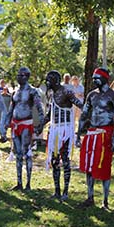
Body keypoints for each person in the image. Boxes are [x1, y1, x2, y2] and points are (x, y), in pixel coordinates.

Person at [79, 68, 114, 208]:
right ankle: (90, 197)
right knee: (89, 166)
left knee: (105, 166)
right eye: (93, 78)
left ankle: (105, 201)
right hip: (92, 133)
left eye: (97, 78)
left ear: (105, 79)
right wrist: (78, 134)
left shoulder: (113, 95)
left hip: (106, 133)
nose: (94, 80)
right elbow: (84, 114)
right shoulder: (92, 95)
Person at [41, 70, 83, 201]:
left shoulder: (66, 92)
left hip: (65, 130)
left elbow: (80, 104)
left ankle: (65, 191)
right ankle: (57, 191)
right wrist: (39, 125)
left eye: (49, 79)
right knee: (54, 161)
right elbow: (49, 114)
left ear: (55, 80)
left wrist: (87, 120)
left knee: (65, 160)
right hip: (54, 130)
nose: (47, 82)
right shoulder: (51, 94)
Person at [3, 67, 45, 192]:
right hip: (15, 125)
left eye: (21, 75)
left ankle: (28, 184)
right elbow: (11, 109)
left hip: (26, 124)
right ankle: (19, 182)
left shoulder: (32, 91)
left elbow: (39, 109)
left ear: (26, 76)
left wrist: (40, 125)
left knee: (26, 152)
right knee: (18, 153)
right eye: (18, 75)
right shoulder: (15, 92)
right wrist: (6, 123)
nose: (18, 77)